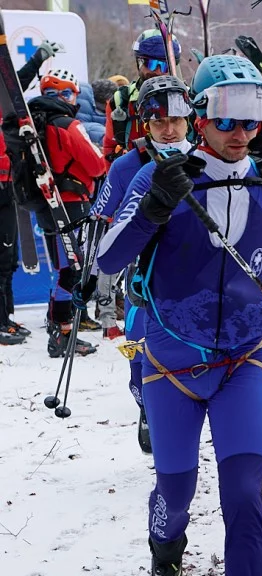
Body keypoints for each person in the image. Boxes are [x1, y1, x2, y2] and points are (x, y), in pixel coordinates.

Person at [96, 54, 262, 576]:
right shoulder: (159, 176)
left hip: (242, 360)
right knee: (176, 492)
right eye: (228, 120)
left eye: (253, 120)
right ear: (201, 117)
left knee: (243, 493)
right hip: (169, 362)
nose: (241, 134)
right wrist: (154, 203)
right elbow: (106, 258)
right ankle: (166, 546)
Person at [89, 74, 193, 456]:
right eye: (158, 122)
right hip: (141, 283)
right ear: (144, 123)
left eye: (176, 120)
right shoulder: (126, 166)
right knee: (137, 357)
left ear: (190, 120)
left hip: (194, 284)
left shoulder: (206, 160)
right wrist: (98, 287)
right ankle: (147, 410)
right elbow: (104, 226)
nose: (168, 130)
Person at [5, 68, 107, 357]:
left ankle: (60, 328)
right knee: (72, 270)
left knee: (66, 268)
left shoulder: (34, 125)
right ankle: (61, 332)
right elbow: (97, 165)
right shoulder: (68, 124)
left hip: (48, 206)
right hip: (72, 204)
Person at [0, 37, 64, 345]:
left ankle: (5, 317)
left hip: (6, 182)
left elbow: (13, 84)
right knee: (1, 257)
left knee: (7, 256)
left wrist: (37, 59)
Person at [103, 30, 182, 162]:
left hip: (177, 176)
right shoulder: (121, 101)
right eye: (150, 63)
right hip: (133, 176)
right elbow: (110, 147)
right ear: (139, 62)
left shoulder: (186, 101)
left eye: (164, 66)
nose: (157, 71)